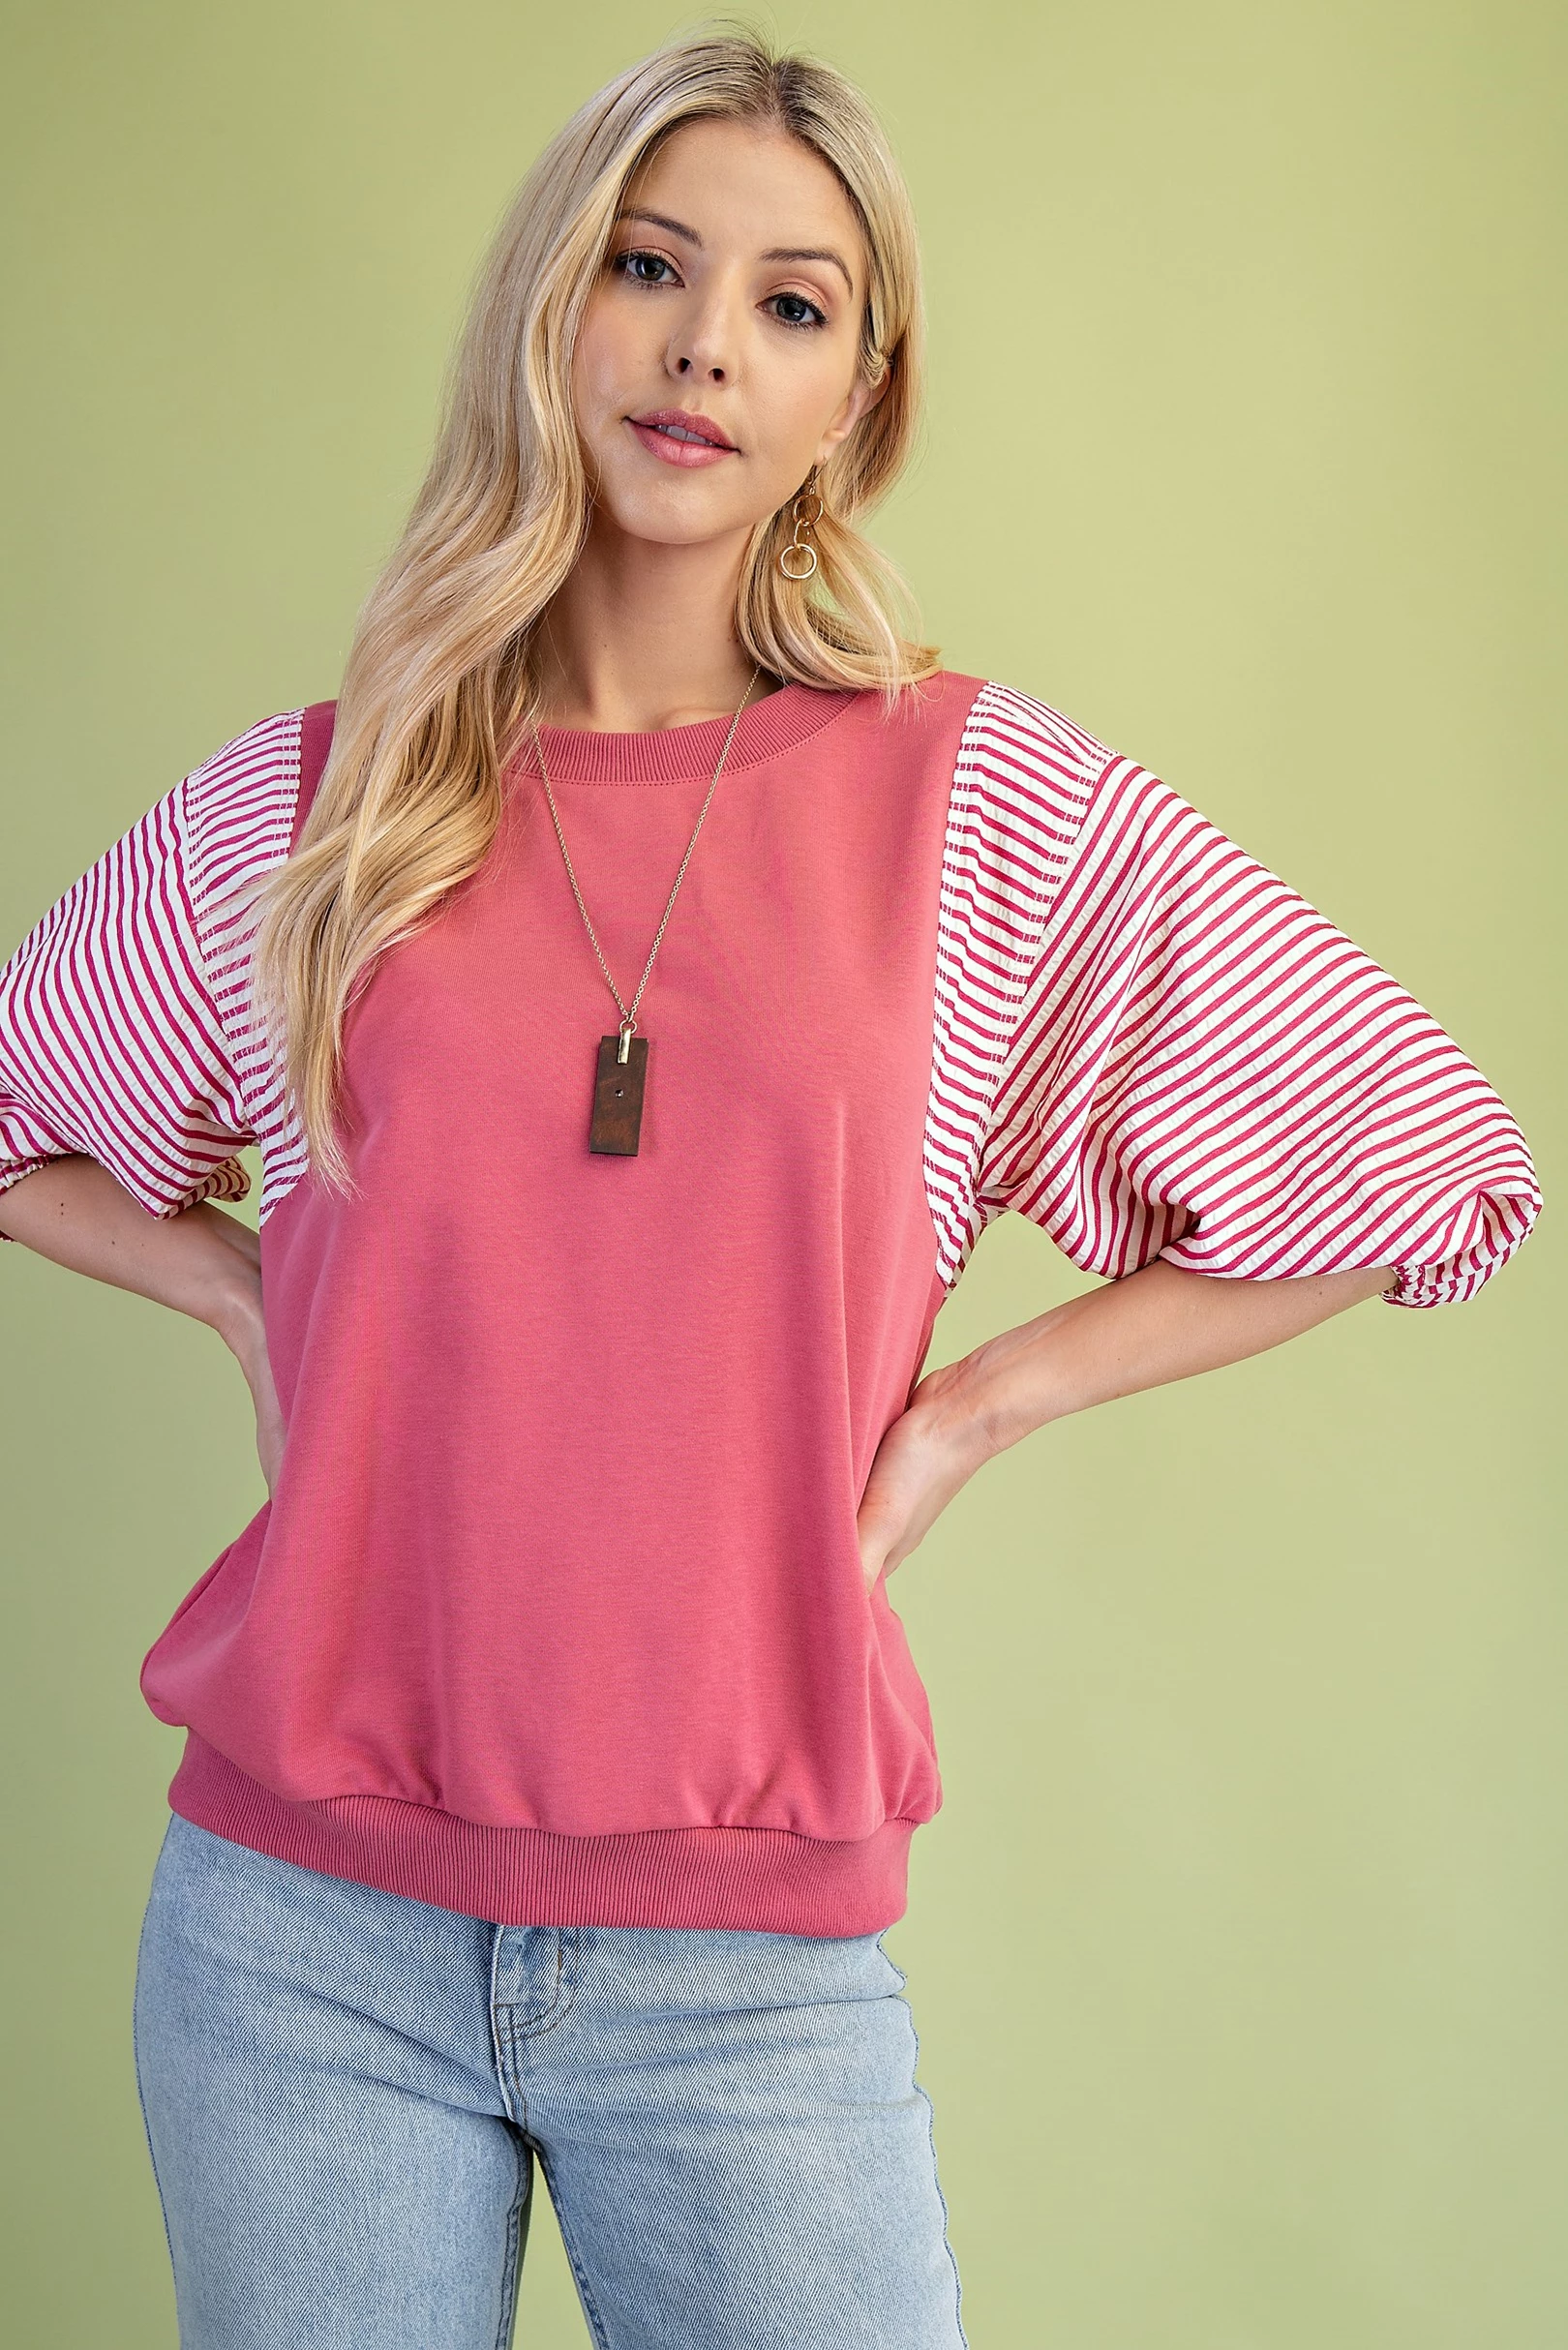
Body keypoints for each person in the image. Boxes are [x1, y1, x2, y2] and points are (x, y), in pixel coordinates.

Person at [0, 25, 1542, 2350]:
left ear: (857, 394)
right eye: (649, 266)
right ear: (554, 308)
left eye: (791, 301)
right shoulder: (324, 806)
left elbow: (1420, 1154)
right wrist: (237, 1291)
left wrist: (975, 1408)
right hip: (297, 1938)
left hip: (741, 1969)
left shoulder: (972, 812)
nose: (706, 343)